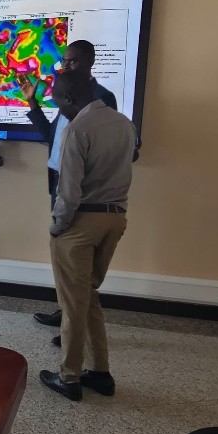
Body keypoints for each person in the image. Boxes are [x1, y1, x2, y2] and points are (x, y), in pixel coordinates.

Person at [18, 40, 131, 342]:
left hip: (84, 192)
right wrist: (32, 103)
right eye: (64, 61)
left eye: (73, 61)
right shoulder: (67, 94)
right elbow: (51, 137)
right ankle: (67, 314)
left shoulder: (100, 98)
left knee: (79, 263)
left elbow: (102, 149)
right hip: (61, 182)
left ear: (89, 62)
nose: (66, 66)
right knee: (66, 260)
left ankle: (74, 328)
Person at [38, 70, 135, 401]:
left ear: (69, 98)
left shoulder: (76, 129)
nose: (58, 108)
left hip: (81, 224)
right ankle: (101, 373)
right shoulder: (124, 123)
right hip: (115, 219)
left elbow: (69, 191)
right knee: (89, 296)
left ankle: (69, 377)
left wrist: (56, 227)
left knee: (72, 304)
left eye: (57, 101)